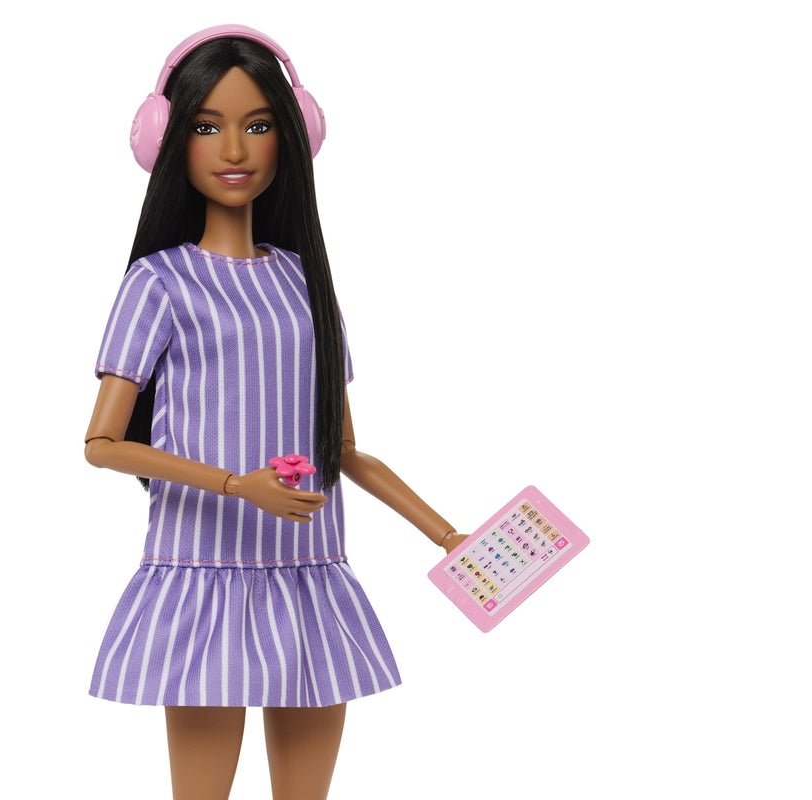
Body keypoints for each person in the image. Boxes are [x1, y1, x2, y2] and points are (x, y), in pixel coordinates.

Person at [83, 25, 467, 800]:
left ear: (295, 135)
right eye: (207, 127)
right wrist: (237, 485)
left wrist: (448, 535)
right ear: (166, 139)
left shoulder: (304, 281)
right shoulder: (160, 283)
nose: (234, 149)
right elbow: (102, 443)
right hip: (204, 574)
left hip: (309, 575)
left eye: (258, 125)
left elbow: (345, 449)